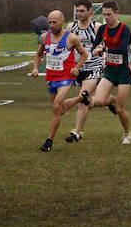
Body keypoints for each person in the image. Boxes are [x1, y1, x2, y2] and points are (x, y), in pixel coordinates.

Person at [31, 10, 90, 152]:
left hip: (66, 77)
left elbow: (84, 54)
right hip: (51, 77)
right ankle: (81, 98)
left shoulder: (71, 38)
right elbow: (38, 55)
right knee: (59, 109)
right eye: (49, 22)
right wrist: (35, 68)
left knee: (56, 106)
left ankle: (48, 141)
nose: (51, 25)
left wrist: (76, 67)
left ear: (62, 22)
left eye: (54, 22)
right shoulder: (44, 37)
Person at [88, 1, 131, 144]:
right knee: (99, 101)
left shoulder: (124, 29)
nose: (107, 17)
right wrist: (95, 50)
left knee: (120, 110)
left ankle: (127, 133)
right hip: (109, 70)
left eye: (109, 14)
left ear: (116, 13)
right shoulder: (102, 29)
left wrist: (104, 50)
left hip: (124, 72)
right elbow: (95, 45)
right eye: (105, 14)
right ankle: (113, 99)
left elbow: (121, 49)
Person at [64, 0, 104, 143]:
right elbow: (65, 45)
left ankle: (76, 133)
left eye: (82, 11)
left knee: (82, 98)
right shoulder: (71, 27)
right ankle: (109, 101)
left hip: (94, 67)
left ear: (90, 11)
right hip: (78, 68)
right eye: (78, 11)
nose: (80, 14)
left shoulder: (97, 27)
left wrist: (101, 49)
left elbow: (108, 44)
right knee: (88, 101)